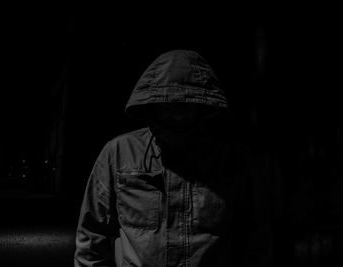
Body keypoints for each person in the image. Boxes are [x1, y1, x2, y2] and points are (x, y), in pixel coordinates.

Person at [74, 50, 272, 266]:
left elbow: (256, 238)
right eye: (168, 104)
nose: (177, 113)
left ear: (203, 105)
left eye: (186, 104)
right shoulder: (119, 153)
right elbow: (91, 238)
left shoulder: (233, 158)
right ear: (153, 104)